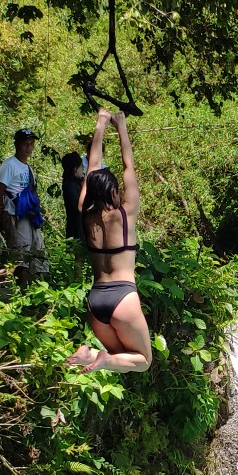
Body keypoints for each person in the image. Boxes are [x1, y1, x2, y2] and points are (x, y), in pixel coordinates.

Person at [67, 108, 152, 374]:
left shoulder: (86, 213)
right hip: (123, 296)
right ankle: (99, 358)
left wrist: (100, 124)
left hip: (96, 300)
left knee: (121, 356)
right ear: (115, 192)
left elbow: (92, 168)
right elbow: (129, 166)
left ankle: (89, 354)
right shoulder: (125, 213)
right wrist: (121, 126)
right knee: (143, 361)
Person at [0, 128, 47, 282]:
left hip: (31, 216)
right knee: (22, 254)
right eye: (26, 144)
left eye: (31, 144)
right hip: (16, 216)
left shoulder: (28, 168)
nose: (29, 147)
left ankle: (37, 288)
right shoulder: (9, 165)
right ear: (17, 144)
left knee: (38, 252)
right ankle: (23, 289)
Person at [61, 149, 88, 240]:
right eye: (81, 167)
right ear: (75, 169)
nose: (83, 169)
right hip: (76, 229)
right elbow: (78, 206)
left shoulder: (76, 183)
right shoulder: (69, 185)